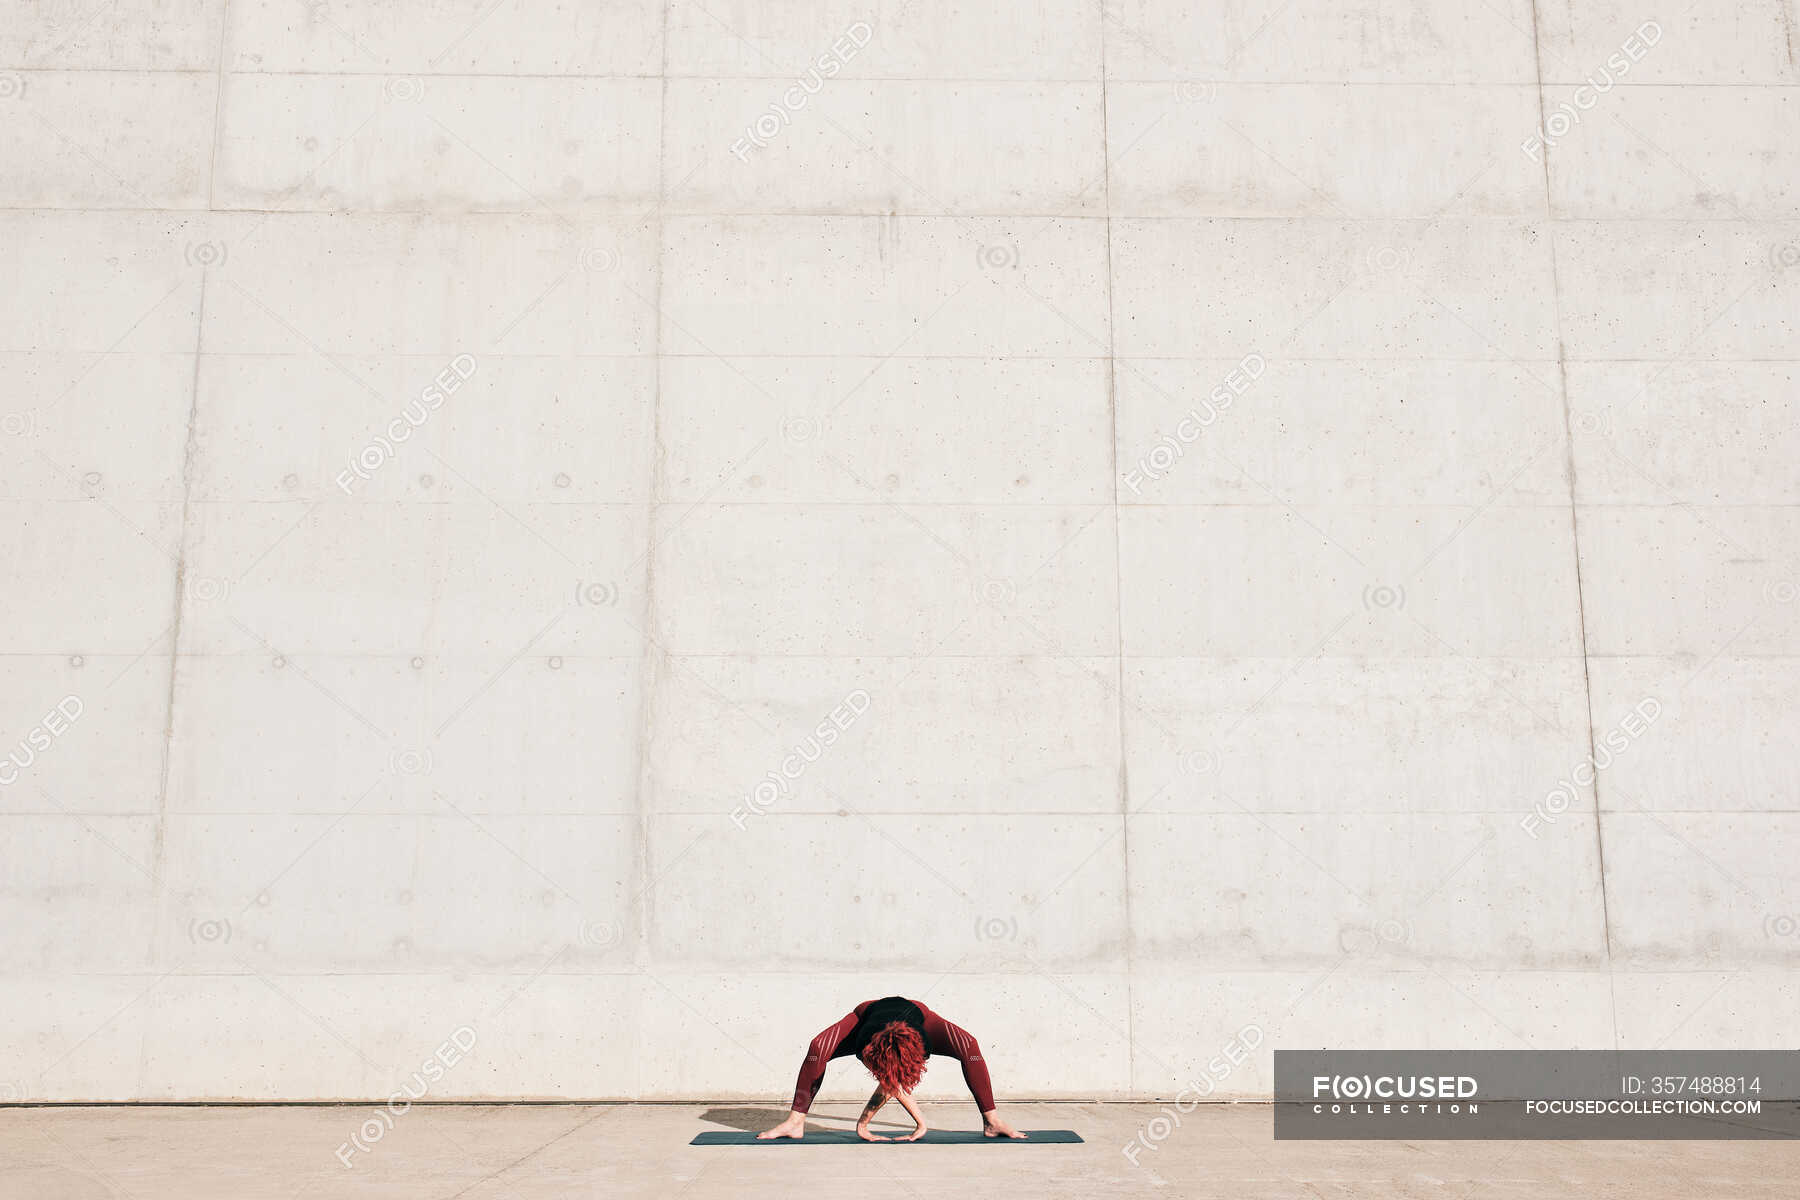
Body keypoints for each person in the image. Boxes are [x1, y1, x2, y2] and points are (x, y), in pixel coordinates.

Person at [758, 995, 1027, 1140]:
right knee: (818, 1048)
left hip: (918, 1013)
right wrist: (864, 1124)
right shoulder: (866, 1043)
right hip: (866, 1014)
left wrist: (919, 1124)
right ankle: (795, 1122)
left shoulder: (921, 1042)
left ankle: (992, 1121)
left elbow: (897, 1079)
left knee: (970, 1045)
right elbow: (890, 1083)